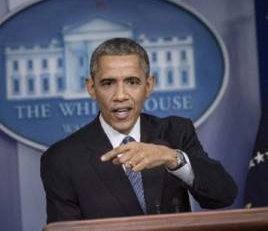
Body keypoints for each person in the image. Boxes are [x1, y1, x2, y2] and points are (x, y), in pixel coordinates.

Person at [40, 37, 237, 223]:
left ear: (149, 85)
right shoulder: (61, 159)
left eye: (132, 82)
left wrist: (173, 158)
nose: (120, 95)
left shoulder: (176, 132)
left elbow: (223, 196)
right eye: (108, 83)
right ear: (91, 88)